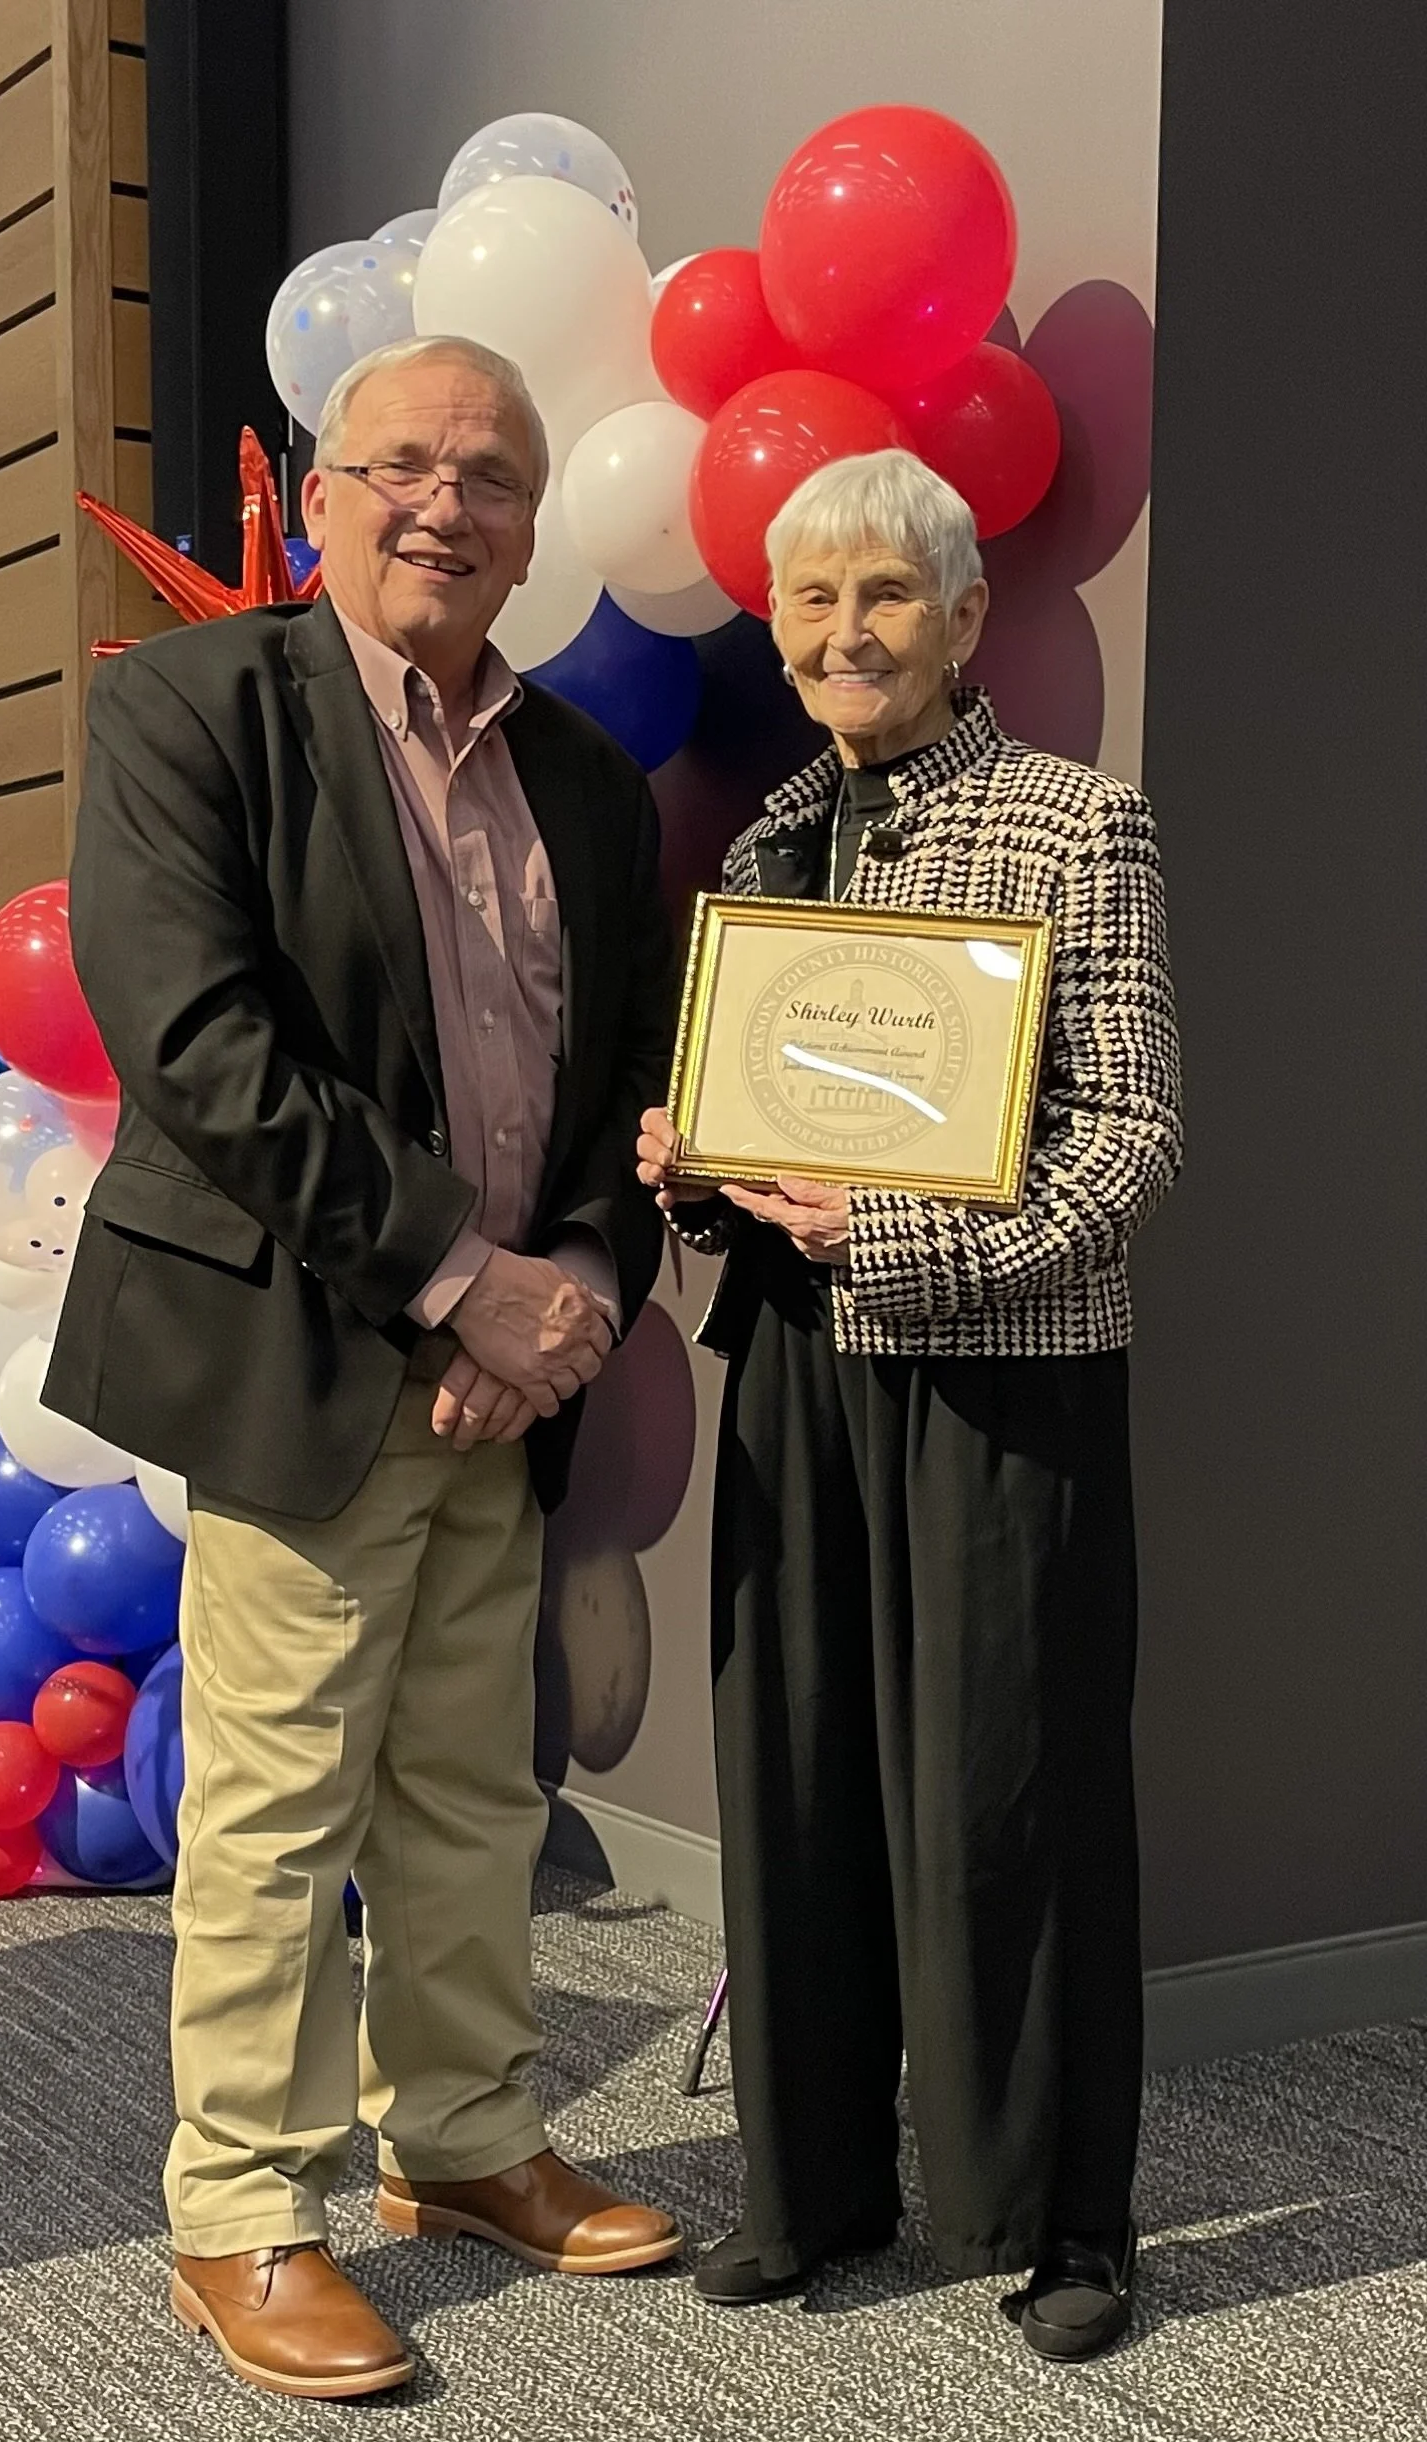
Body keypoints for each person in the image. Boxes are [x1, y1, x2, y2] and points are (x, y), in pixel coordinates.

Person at [46, 333, 681, 2403]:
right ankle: (241, 2205)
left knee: (467, 1790)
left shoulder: (581, 776)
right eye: (399, 464)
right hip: (310, 1354)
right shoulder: (187, 710)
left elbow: (605, 1080)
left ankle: (468, 2138)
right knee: (276, 1800)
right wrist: (456, 1281)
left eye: (489, 475)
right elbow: (200, 1048)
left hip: (506, 1383)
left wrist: (571, 1270)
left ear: (529, 524)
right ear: (318, 497)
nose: (443, 503)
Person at [638, 450, 1182, 2363]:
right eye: (810, 600)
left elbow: (1127, 1149)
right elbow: (767, 1119)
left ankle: (1063, 2217)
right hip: (797, 1368)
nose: (845, 630)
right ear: (776, 634)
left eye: (886, 595)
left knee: (1010, 1796)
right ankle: (814, 2187)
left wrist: (898, 1241)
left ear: (963, 619)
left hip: (999, 1384)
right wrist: (696, 1161)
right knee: (793, 1779)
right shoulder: (769, 841)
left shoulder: (1073, 830)